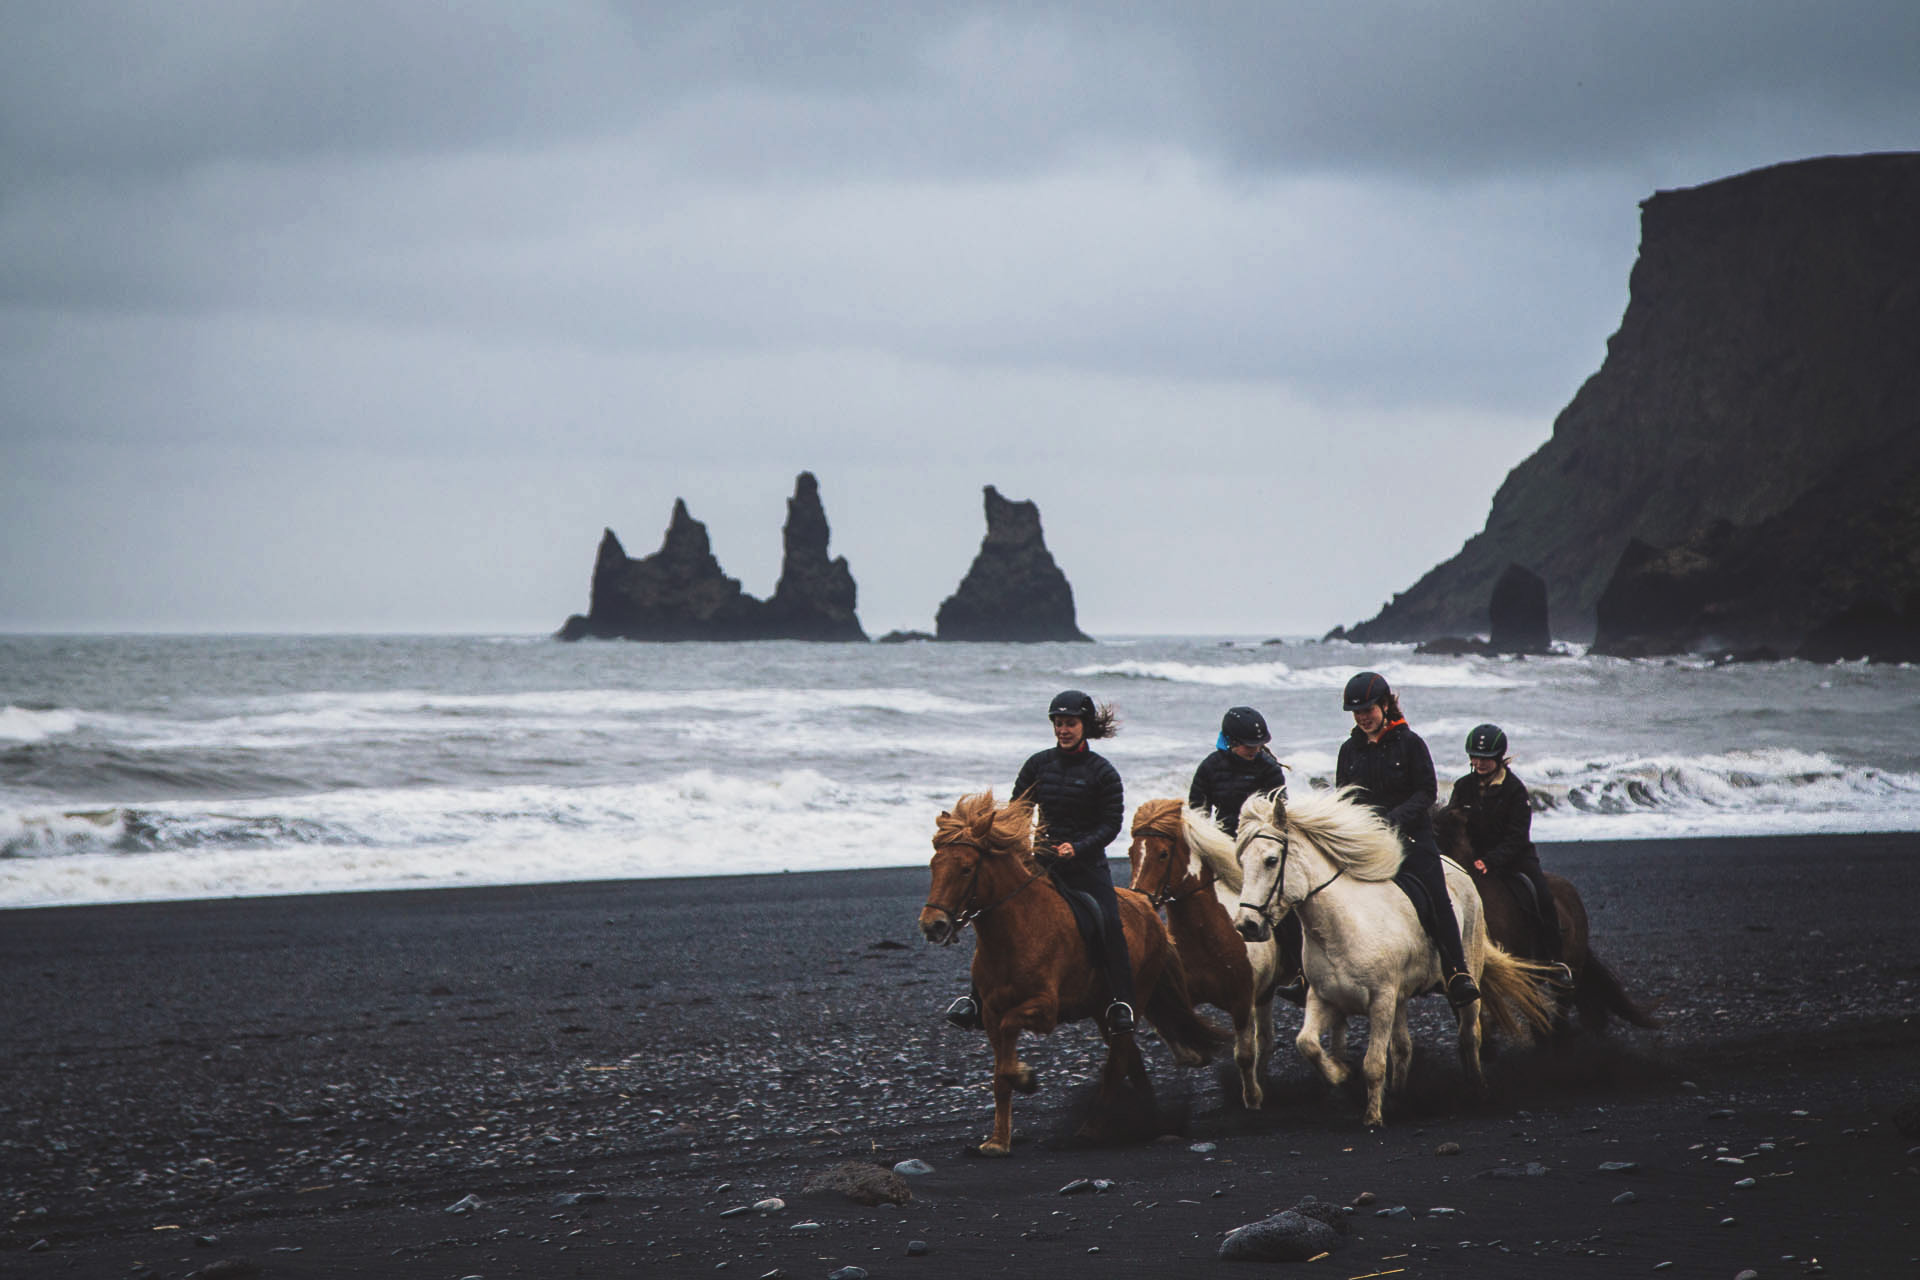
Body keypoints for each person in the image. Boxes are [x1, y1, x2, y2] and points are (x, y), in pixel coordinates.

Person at [946, 690, 1135, 1033]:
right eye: (1059, 723)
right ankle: (975, 998)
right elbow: (1019, 810)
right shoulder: (1038, 764)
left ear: (1085, 726)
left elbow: (1111, 825)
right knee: (995, 915)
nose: (1063, 730)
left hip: (1087, 867)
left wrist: (1077, 847)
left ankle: (1121, 1002)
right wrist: (1012, 846)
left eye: (1070, 724)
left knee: (1109, 922)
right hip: (1042, 863)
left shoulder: (1103, 772)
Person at [1335, 671, 1481, 1008]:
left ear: (1385, 705)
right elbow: (1344, 794)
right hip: (1367, 842)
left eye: (1368, 710)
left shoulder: (1411, 743)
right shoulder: (1349, 750)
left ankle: (1457, 971)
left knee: (1437, 894)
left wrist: (1393, 819)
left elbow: (1426, 791)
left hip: (1412, 838)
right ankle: (1309, 973)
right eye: (1357, 713)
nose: (1363, 718)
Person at [1189, 705, 1306, 1005]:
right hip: (1222, 843)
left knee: (1289, 903)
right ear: (1229, 741)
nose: (1253, 750)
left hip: (1260, 844)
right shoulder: (1209, 767)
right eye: (1247, 745)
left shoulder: (1268, 767)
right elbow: (1198, 814)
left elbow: (1277, 813)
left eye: (1257, 744)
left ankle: (1300, 971)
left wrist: (1255, 843)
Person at [1446, 723, 1573, 985]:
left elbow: (1517, 836)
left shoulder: (1515, 789)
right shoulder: (1463, 787)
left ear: (1499, 758)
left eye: (1486, 758)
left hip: (1514, 858)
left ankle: (1555, 960)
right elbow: (1453, 823)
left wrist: (1491, 861)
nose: (1479, 763)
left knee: (1543, 895)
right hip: (1474, 857)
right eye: (1475, 757)